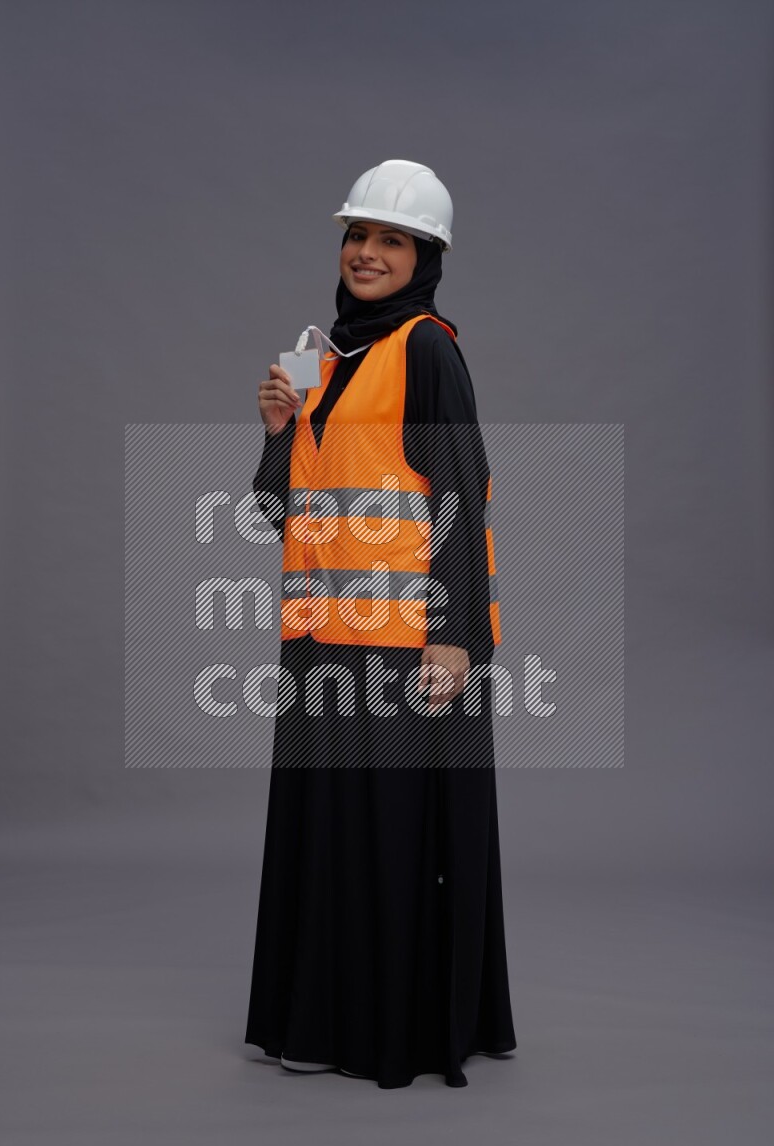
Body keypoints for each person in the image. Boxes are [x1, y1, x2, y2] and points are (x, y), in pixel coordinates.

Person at [244, 160, 517, 1088]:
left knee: (395, 839)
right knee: (330, 835)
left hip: (404, 647)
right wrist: (279, 428)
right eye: (357, 236)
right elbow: (278, 511)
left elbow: (459, 495)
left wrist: (457, 638)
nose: (366, 253)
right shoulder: (322, 354)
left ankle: (391, 1031)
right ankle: (323, 1022)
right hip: (321, 639)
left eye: (390, 240)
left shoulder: (426, 349)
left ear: (425, 256)